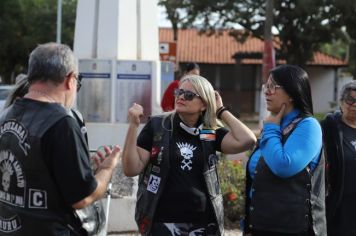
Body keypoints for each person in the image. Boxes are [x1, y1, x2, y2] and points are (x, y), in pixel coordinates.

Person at [0, 42, 120, 235]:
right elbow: (82, 197)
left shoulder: (7, 115)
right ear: (70, 79)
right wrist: (107, 168)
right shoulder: (62, 122)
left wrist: (83, 167)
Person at [122, 74, 256, 235]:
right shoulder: (159, 126)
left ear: (204, 105)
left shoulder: (207, 133)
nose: (181, 97)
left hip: (203, 223)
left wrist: (220, 110)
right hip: (162, 222)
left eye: (189, 95)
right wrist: (133, 126)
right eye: (179, 92)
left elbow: (247, 140)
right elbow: (131, 169)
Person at [243, 65, 326, 236]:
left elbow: (283, 166)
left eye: (273, 87)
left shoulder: (308, 126)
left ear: (291, 93)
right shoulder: (275, 124)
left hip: (293, 228)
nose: (266, 92)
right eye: (266, 86)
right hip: (261, 225)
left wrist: (271, 129)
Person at [321, 81, 356, 236]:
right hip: (338, 206)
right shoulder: (329, 129)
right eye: (350, 99)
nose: (354, 104)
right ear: (341, 102)